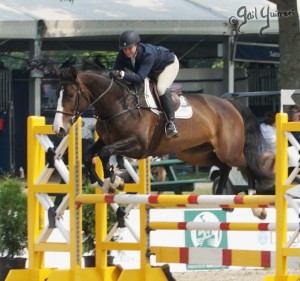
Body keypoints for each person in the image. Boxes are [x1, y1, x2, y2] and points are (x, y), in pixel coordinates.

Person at [110, 30, 179, 138]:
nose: (127, 52)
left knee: (161, 88)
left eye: (130, 48)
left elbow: (139, 78)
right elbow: (115, 73)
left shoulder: (148, 53)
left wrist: (121, 74)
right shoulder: (122, 54)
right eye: (124, 49)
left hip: (167, 66)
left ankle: (171, 123)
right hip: (151, 70)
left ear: (136, 45)